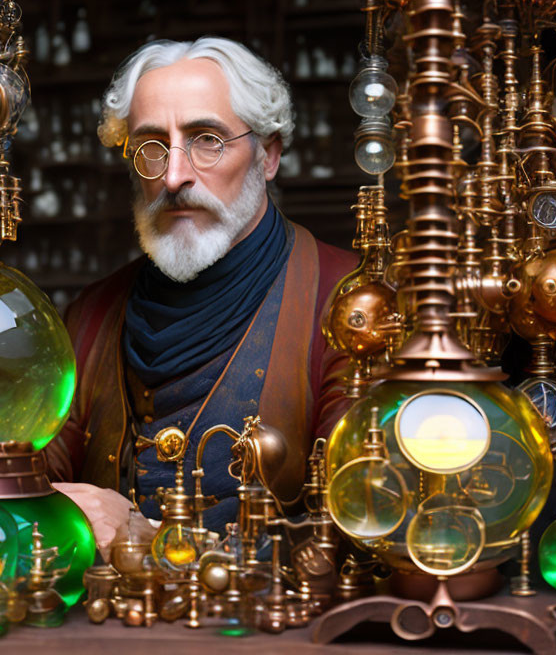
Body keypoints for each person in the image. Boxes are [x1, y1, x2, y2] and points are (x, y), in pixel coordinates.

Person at [47, 37, 357, 555]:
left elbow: (362, 526)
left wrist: (153, 547)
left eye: (207, 140)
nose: (174, 176)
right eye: (151, 146)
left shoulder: (349, 305)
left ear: (269, 155)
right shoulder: (91, 316)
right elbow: (21, 486)